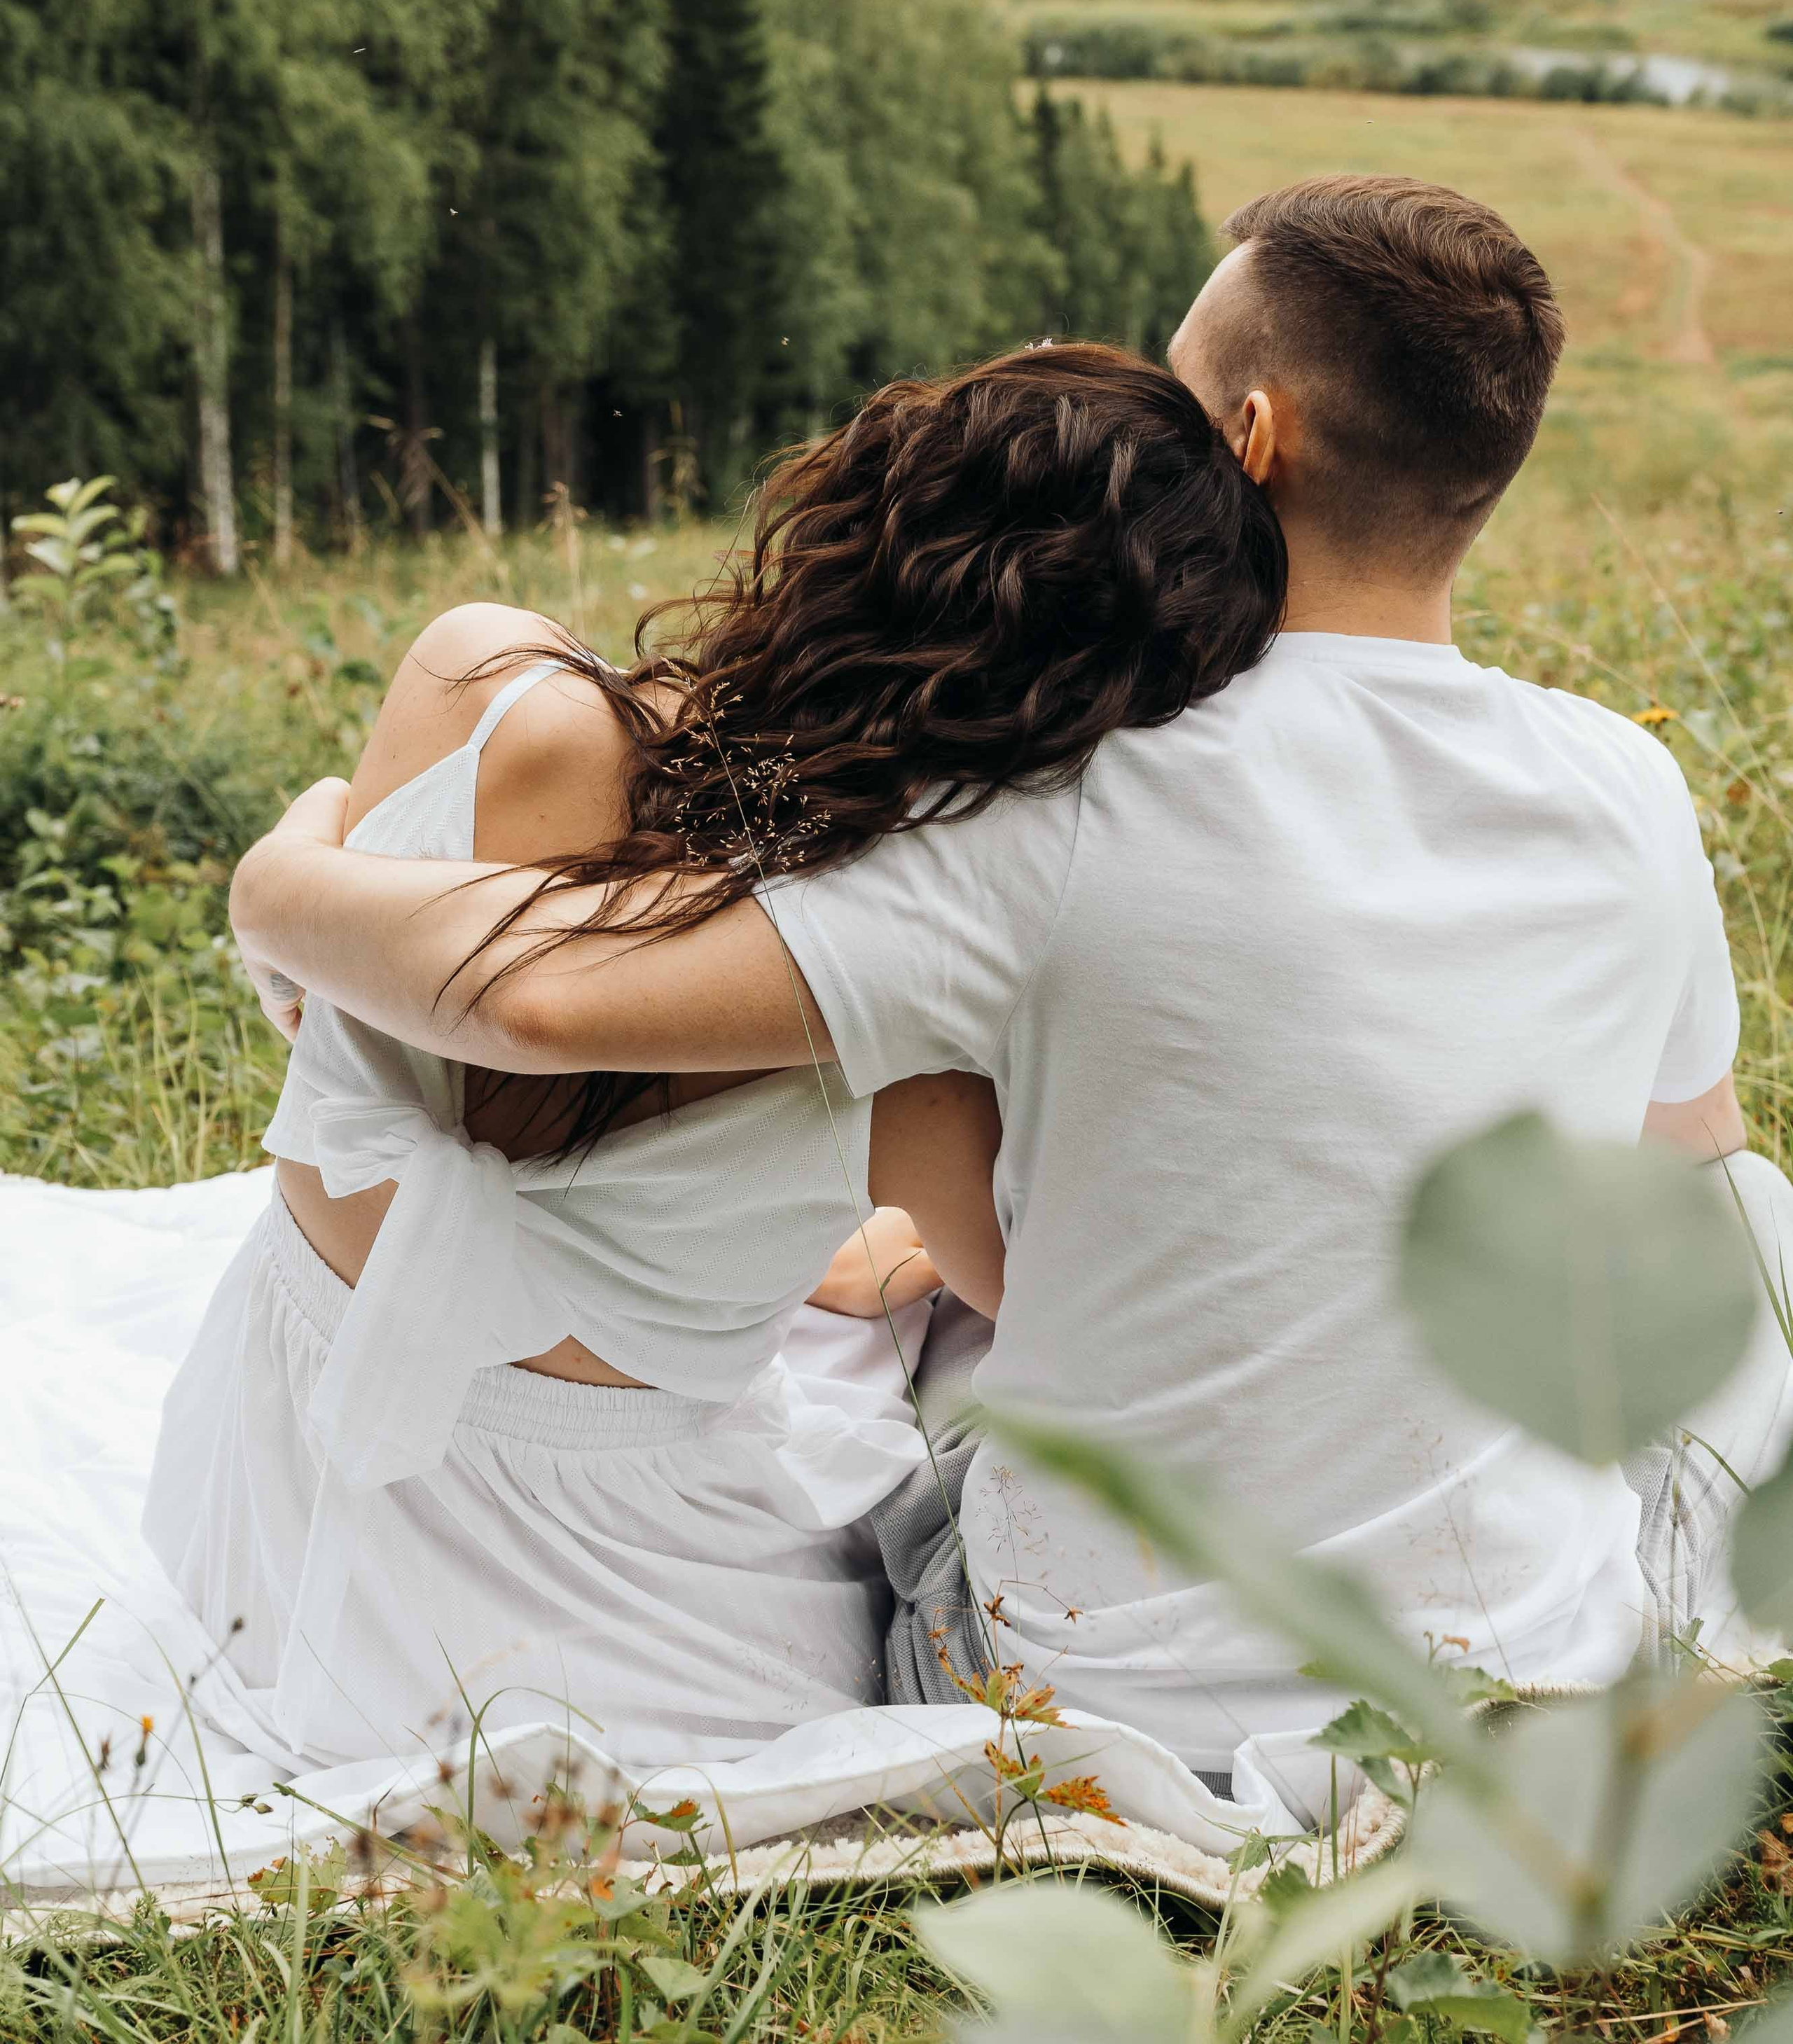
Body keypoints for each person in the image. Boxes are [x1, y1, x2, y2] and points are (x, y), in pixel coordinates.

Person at [232, 174, 1793, 1806]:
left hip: (1107, 1694)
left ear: (1245, 438)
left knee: (955, 1325)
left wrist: (281, 883)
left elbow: (545, 1000)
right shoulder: (1623, 783)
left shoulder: (1059, 796)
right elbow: (1691, 1166)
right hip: (1532, 1663)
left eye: (1173, 377)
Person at [151, 344, 1284, 1777]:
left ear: (858, 506)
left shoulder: (486, 678)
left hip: (265, 1468)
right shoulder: (922, 975)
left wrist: (290, 854)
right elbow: (1044, 1299)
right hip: (600, 1598)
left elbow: (361, 1015)